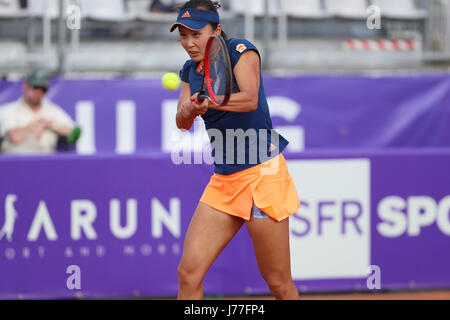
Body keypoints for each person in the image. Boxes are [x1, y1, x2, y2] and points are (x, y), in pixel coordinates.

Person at [171, 0, 301, 300]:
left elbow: (250, 98)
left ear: (217, 29)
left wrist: (210, 102)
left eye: (196, 33)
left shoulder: (241, 51)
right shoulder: (189, 71)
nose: (189, 43)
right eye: (183, 35)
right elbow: (181, 120)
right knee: (188, 273)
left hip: (262, 176)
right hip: (224, 180)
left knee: (278, 283)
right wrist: (189, 109)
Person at [0, 71, 75, 154]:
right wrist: (37, 124)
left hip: (46, 160)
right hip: (15, 161)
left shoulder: (52, 110)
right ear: (25, 86)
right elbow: (16, 138)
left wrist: (52, 125)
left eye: (43, 89)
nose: (39, 92)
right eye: (35, 87)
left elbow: (73, 134)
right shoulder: (8, 110)